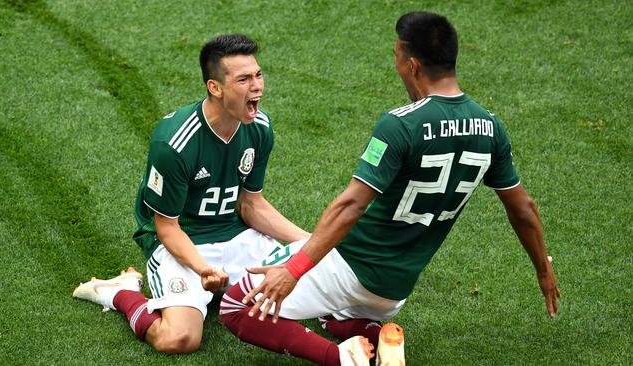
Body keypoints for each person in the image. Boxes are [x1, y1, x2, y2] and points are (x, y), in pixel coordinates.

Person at [218, 11, 561, 366]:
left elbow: (350, 206)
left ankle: (341, 360)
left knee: (237, 305)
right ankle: (375, 335)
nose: (396, 66)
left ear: (412, 64)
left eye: (396, 58)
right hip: (395, 290)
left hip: (351, 266)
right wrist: (542, 269)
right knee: (329, 315)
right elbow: (523, 209)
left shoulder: (402, 124)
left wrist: (294, 270)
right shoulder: (491, 127)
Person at [73, 34, 309, 354]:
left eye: (258, 74)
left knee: (313, 288)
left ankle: (221, 293)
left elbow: (252, 204)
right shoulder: (174, 143)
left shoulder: (260, 127)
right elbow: (166, 226)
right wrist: (203, 269)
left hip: (238, 238)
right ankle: (122, 292)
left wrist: (310, 243)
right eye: (243, 79)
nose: (257, 86)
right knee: (178, 339)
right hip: (183, 243)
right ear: (215, 87)